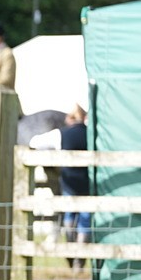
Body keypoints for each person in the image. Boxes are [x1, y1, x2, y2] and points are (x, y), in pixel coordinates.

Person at [30, 104, 91, 270]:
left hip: (69, 183)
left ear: (69, 118)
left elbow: (34, 142)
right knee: (85, 219)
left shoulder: (61, 134)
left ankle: (71, 252)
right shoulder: (91, 135)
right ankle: (80, 259)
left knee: (69, 217)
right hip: (88, 184)